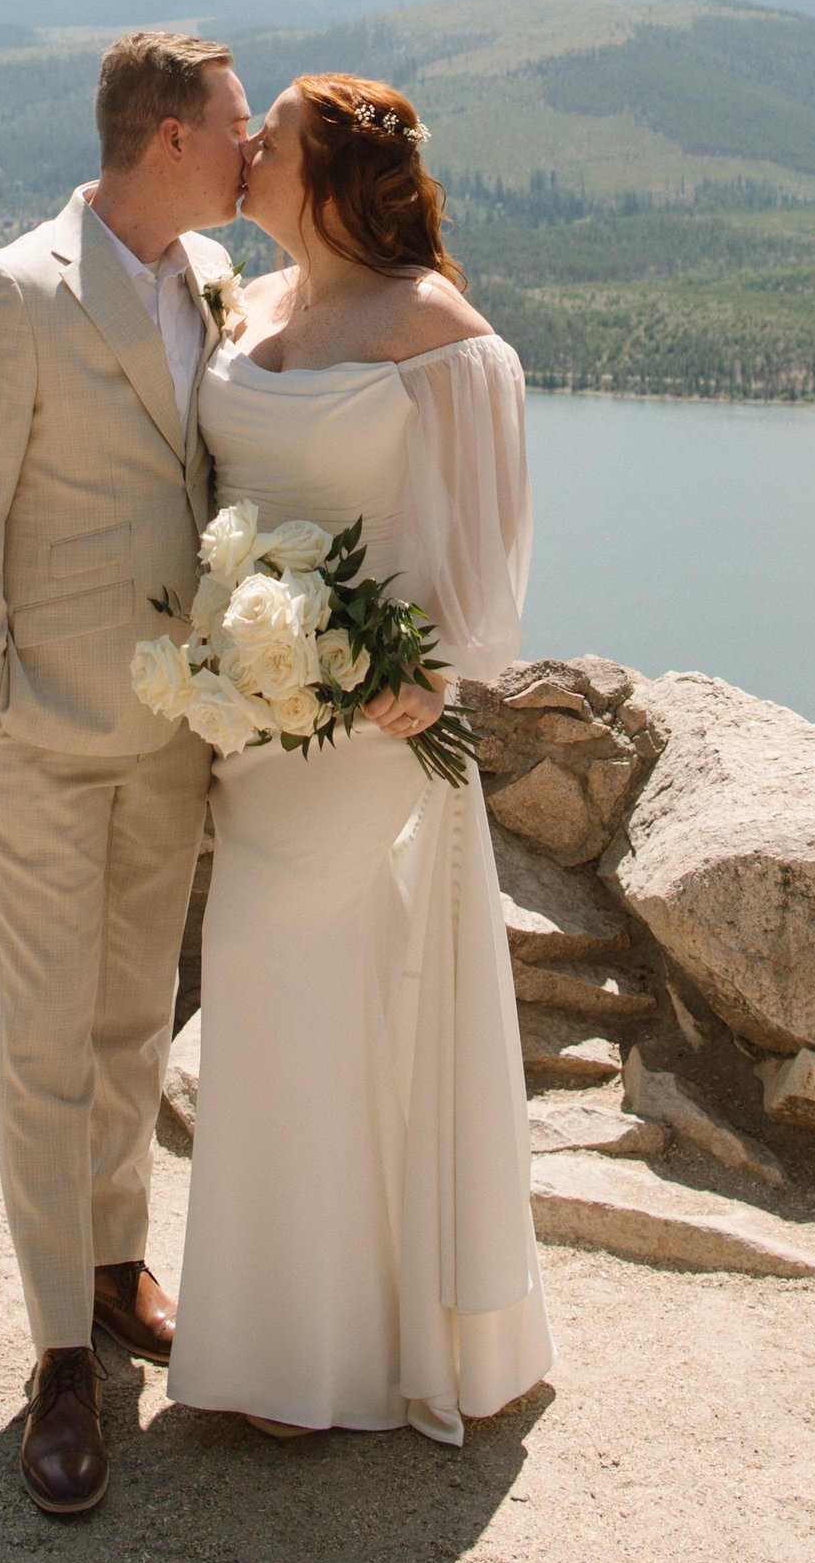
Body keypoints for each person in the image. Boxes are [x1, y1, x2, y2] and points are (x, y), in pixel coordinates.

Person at [165, 72, 552, 1445]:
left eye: (274, 135)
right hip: (255, 723)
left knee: (321, 994)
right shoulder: (246, 301)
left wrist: (421, 672)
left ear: (328, 173)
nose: (249, 148)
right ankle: (269, 1339)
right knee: (265, 1002)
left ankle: (328, 1363)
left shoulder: (431, 324)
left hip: (367, 721)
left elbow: (482, 544)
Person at [0, 27, 251, 1518]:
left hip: (169, 738)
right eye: (238, 126)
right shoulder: (12, 294)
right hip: (42, 738)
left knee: (127, 1024)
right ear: (170, 136)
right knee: (44, 1046)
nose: (255, 153)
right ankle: (59, 1354)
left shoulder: (206, 284)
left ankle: (117, 1266)